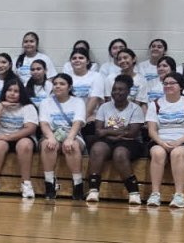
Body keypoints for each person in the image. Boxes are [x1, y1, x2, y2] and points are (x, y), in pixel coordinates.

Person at [146, 72, 184, 208]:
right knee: (157, 153)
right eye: (165, 83)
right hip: (161, 140)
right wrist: (161, 143)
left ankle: (179, 196)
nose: (168, 86)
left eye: (172, 83)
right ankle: (155, 194)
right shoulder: (155, 104)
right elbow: (151, 130)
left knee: (177, 153)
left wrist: (178, 142)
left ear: (181, 86)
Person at [86, 74, 145, 204]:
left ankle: (134, 193)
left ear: (128, 91)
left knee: (120, 153)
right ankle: (93, 190)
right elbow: (98, 131)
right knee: (97, 148)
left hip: (131, 142)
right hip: (109, 140)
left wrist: (107, 131)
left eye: (120, 89)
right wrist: (117, 132)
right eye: (114, 89)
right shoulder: (104, 107)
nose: (116, 92)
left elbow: (132, 133)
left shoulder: (136, 109)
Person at [0, 77, 38, 197]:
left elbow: (30, 128)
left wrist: (9, 137)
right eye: (9, 90)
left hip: (22, 136)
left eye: (16, 91)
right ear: (4, 92)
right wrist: (1, 106)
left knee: (25, 145)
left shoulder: (28, 106)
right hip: (1, 135)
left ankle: (26, 184)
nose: (12, 94)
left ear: (21, 93)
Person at [39, 73, 87, 200]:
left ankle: (78, 184)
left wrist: (70, 138)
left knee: (73, 146)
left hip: (72, 133)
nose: (58, 86)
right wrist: (50, 137)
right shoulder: (45, 102)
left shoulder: (78, 101)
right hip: (52, 133)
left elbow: (78, 122)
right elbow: (44, 123)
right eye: (55, 84)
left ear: (69, 87)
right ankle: (49, 184)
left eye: (62, 84)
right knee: (47, 145)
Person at [68, 48, 105, 136]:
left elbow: (94, 100)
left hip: (89, 117)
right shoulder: (67, 76)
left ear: (87, 61)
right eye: (74, 58)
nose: (77, 60)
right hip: (69, 117)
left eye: (81, 58)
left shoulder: (96, 76)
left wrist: (80, 121)